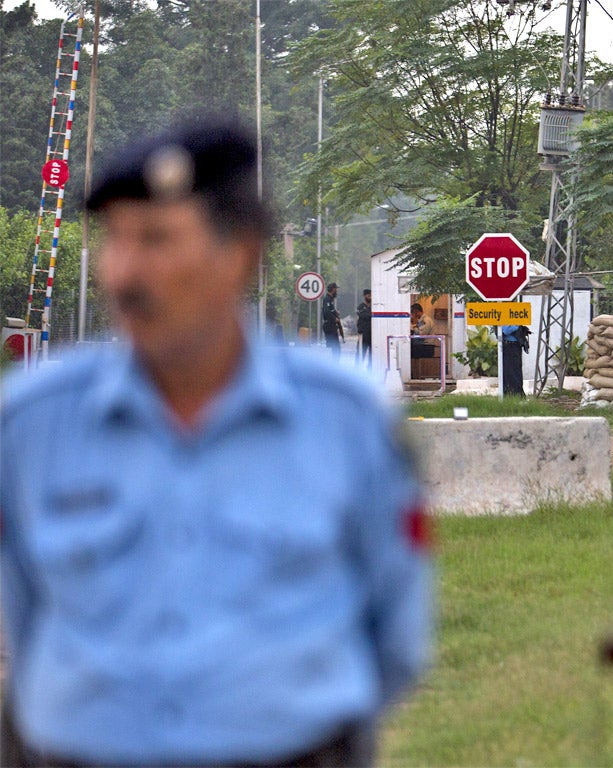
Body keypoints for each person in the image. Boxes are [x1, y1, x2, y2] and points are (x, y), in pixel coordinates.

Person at [0, 118, 432, 768]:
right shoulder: (33, 422)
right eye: (114, 240)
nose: (124, 272)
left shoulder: (347, 420)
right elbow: (24, 622)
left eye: (157, 240)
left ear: (239, 254)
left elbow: (394, 636)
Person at [499, 325, 530, 397]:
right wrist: (516, 326)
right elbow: (505, 330)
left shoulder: (515, 317)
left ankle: (517, 393)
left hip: (515, 345)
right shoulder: (505, 318)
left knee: (516, 371)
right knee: (508, 372)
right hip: (508, 345)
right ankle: (509, 393)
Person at [322, 281, 343, 357]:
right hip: (329, 326)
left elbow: (331, 310)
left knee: (336, 347)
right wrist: (334, 318)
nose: (336, 291)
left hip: (332, 326)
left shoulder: (330, 299)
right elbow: (326, 311)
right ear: (333, 289)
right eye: (336, 289)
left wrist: (335, 312)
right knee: (335, 347)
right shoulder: (327, 299)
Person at [356, 288, 372, 364]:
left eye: (371, 295)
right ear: (365, 296)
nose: (370, 297)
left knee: (372, 355)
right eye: (369, 295)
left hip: (371, 333)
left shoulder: (373, 307)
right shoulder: (360, 307)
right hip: (363, 333)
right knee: (361, 353)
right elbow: (364, 315)